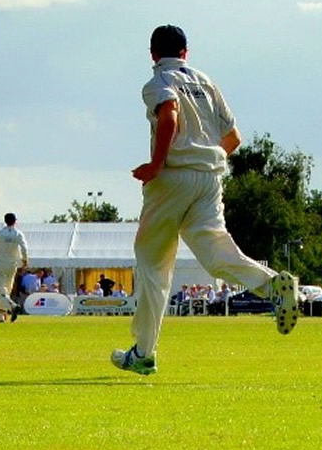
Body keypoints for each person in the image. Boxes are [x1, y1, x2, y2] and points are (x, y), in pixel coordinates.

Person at [112, 25, 302, 376]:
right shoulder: (206, 82)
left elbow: (168, 113)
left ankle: (143, 352)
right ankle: (272, 284)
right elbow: (233, 137)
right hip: (210, 177)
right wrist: (209, 161)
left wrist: (157, 164)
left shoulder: (158, 81)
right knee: (216, 253)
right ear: (186, 51)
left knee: (154, 265)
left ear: (152, 54)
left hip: (173, 177)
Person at [0, 213, 29, 324]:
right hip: (12, 264)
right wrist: (25, 260)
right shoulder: (18, 234)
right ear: (15, 221)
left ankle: (11, 307)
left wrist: (1, 247)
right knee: (7, 288)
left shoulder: (0, 233)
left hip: (1, 263)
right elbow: (25, 248)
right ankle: (2, 314)